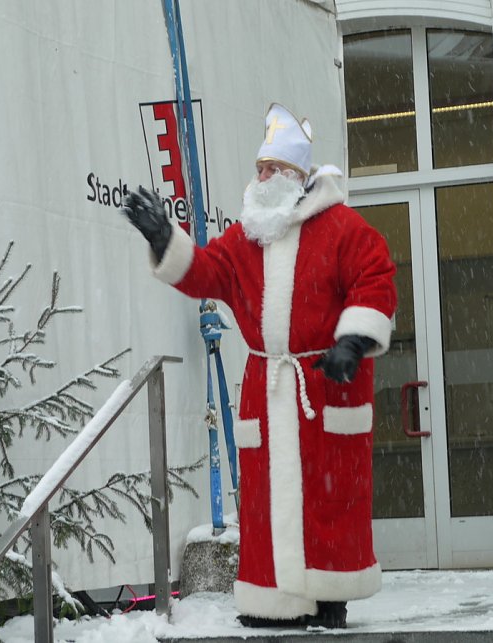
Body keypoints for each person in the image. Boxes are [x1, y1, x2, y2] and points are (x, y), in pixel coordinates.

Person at [120, 103, 396, 629]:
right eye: (259, 168)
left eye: (271, 169)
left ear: (296, 176)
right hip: (267, 387)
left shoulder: (343, 228)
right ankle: (272, 599)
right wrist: (164, 238)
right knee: (268, 501)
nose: (261, 177)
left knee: (328, 496)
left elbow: (375, 278)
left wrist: (354, 340)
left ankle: (326, 594)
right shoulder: (247, 239)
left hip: (324, 384)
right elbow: (203, 273)